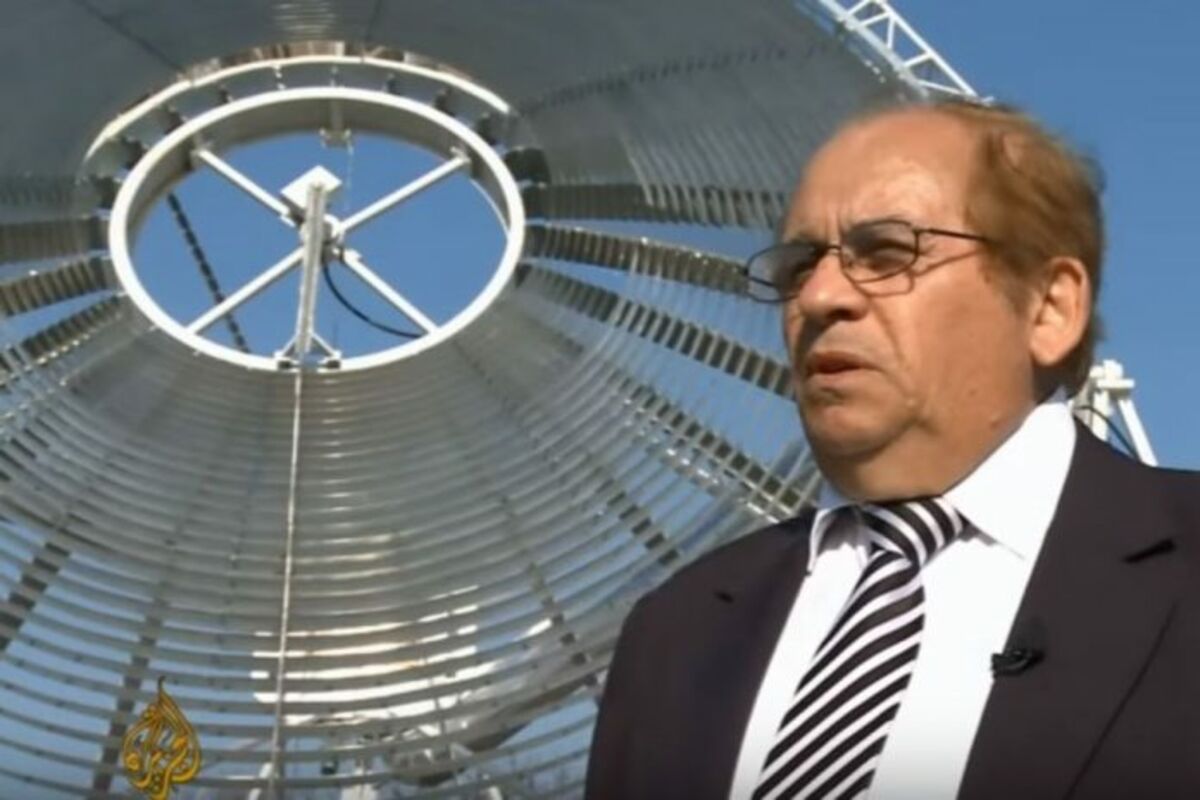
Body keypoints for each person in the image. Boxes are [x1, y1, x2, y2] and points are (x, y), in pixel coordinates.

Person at [584, 99, 1200, 800]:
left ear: (1049, 307)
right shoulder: (673, 634)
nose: (819, 297)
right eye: (799, 266)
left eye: (886, 252)